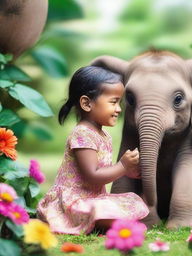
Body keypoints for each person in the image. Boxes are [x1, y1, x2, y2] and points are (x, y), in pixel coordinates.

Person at [37, 66, 149, 235]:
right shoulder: (82, 134)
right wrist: (123, 166)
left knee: (133, 203)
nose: (119, 109)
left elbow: (104, 171)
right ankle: (98, 223)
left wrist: (130, 171)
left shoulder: (104, 135)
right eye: (113, 102)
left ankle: (106, 223)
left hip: (94, 198)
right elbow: (93, 176)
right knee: (106, 212)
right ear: (87, 103)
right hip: (73, 201)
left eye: (119, 102)